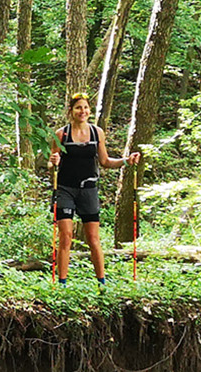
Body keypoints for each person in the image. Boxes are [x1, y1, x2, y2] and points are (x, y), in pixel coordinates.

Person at [50, 93, 139, 285]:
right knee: (66, 237)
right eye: (78, 108)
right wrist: (53, 162)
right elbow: (52, 164)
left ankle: (102, 283)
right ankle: (62, 284)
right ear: (71, 111)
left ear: (90, 111)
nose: (82, 111)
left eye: (85, 108)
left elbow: (105, 161)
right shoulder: (61, 134)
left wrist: (126, 161)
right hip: (65, 190)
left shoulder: (96, 132)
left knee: (93, 238)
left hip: (88, 190)